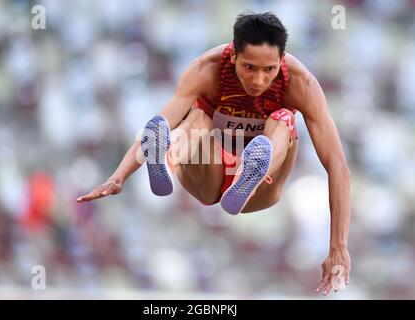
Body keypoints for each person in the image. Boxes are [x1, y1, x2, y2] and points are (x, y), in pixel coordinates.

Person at [77, 12, 351, 295]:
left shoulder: (300, 83)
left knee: (283, 120)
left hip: (260, 190)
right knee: (197, 116)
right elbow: (158, 125)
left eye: (269, 69)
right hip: (208, 172)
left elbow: (338, 165)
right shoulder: (207, 70)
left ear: (282, 60)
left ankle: (254, 169)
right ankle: (167, 160)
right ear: (232, 56)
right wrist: (120, 174)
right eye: (249, 68)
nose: (258, 80)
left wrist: (338, 246)